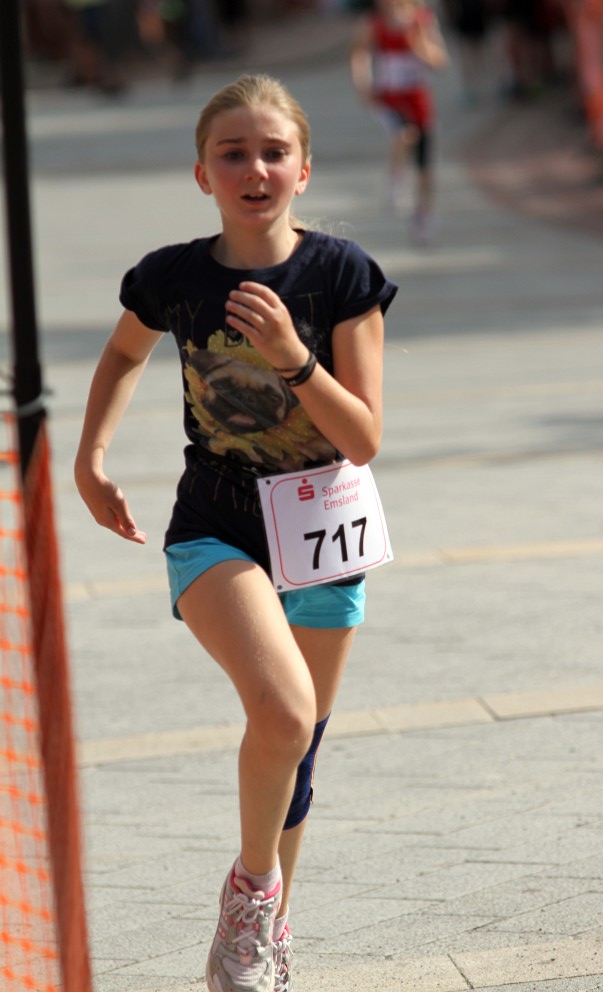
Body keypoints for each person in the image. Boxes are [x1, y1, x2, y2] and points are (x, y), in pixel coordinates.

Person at [74, 73, 397, 992]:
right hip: (216, 523)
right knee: (283, 713)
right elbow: (124, 349)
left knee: (299, 745)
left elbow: (363, 437)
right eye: (233, 153)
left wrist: (293, 358)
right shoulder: (174, 276)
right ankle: (251, 903)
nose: (254, 169)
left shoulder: (340, 275)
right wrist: (90, 458)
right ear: (201, 174)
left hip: (325, 521)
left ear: (303, 169)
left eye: (273, 152)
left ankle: (262, 936)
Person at [350, 0, 448, 243]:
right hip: (390, 97)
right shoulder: (375, 24)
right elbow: (359, 54)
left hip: (417, 98)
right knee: (403, 134)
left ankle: (423, 215)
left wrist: (422, 48)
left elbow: (440, 61)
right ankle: (396, 181)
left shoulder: (423, 20)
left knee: (425, 165)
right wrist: (363, 83)